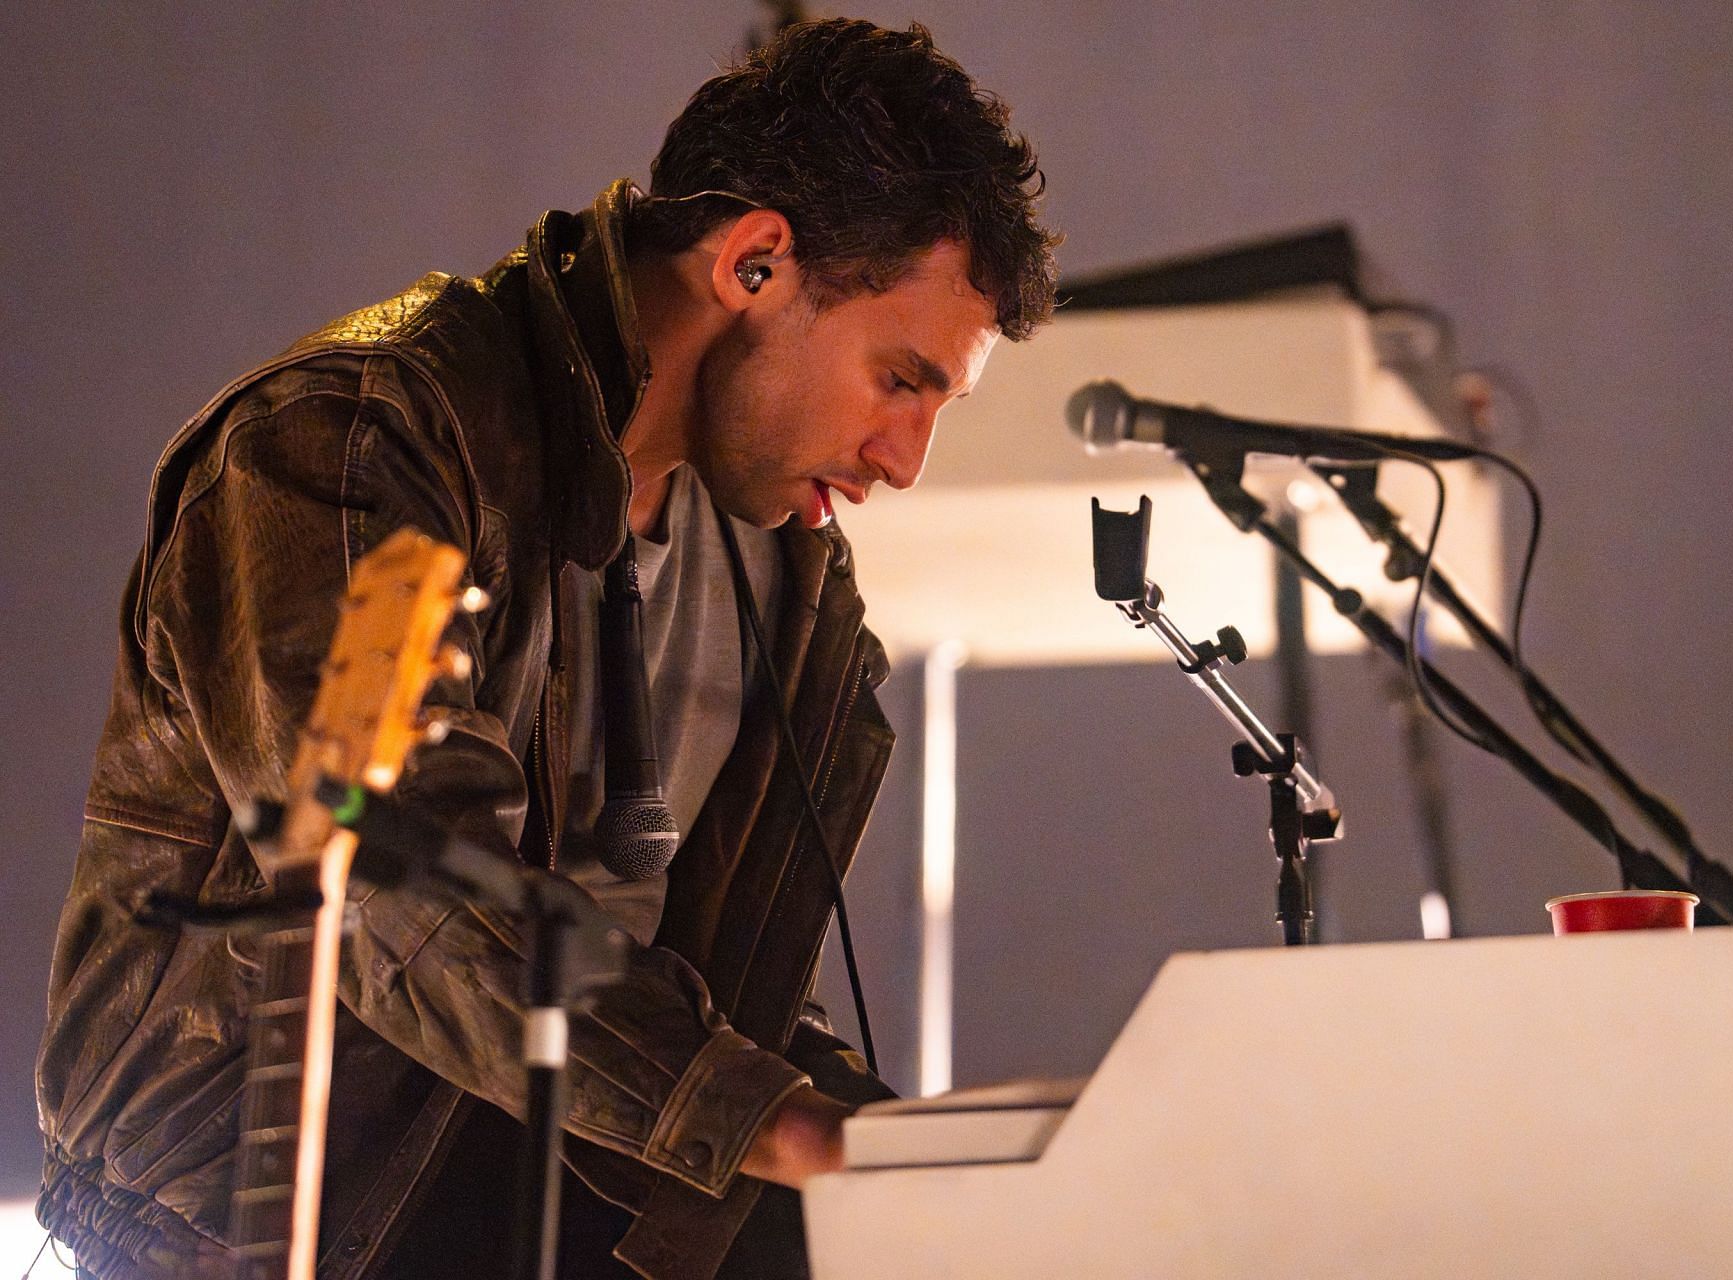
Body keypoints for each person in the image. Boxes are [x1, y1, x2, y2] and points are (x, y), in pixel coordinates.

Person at [34, 18, 1058, 1280]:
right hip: (259, 1231)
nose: (906, 460)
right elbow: (410, 900)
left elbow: (696, 973)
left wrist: (912, 1141)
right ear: (753, 263)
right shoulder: (355, 438)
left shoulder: (782, 565)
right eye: (899, 379)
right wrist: (784, 1126)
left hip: (561, 1199)